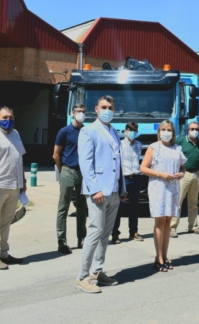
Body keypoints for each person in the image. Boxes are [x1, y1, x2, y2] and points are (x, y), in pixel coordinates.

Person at [75, 95, 126, 293]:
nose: (107, 110)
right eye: (104, 107)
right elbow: (86, 164)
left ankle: (97, 271)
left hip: (113, 191)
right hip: (98, 191)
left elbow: (117, 163)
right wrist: (95, 188)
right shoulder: (89, 131)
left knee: (105, 233)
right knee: (95, 231)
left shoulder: (113, 131)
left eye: (110, 107)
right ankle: (82, 276)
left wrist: (122, 188)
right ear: (96, 109)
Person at [140, 120, 186, 272]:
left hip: (172, 188)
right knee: (160, 222)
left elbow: (182, 167)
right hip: (158, 187)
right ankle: (159, 257)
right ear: (159, 131)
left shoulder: (177, 148)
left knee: (168, 222)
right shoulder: (154, 147)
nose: (166, 132)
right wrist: (161, 173)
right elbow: (143, 168)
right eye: (164, 129)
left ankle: (165, 255)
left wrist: (182, 173)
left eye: (169, 129)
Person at [0, 106, 26, 270]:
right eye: (5, 117)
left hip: (14, 185)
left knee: (6, 222)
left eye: (11, 117)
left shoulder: (16, 134)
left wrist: (23, 181)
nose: (8, 120)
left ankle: (4, 253)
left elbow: (19, 157)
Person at [53, 104, 88, 254]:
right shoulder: (65, 131)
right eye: (79, 111)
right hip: (68, 170)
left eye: (83, 112)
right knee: (63, 208)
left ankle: (82, 239)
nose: (81, 114)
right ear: (73, 113)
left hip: (83, 173)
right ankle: (62, 242)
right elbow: (56, 154)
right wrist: (63, 171)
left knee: (82, 208)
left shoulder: (86, 131)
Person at [170, 121, 199, 238]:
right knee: (178, 202)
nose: (194, 131)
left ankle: (193, 226)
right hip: (183, 175)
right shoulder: (180, 142)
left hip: (197, 175)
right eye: (192, 129)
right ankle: (172, 228)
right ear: (188, 130)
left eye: (197, 129)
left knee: (194, 202)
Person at [111, 121, 143, 244]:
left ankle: (133, 231)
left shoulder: (139, 144)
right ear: (125, 131)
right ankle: (115, 233)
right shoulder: (119, 144)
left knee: (134, 207)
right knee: (119, 207)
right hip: (123, 179)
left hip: (136, 178)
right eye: (130, 130)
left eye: (135, 131)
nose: (133, 133)